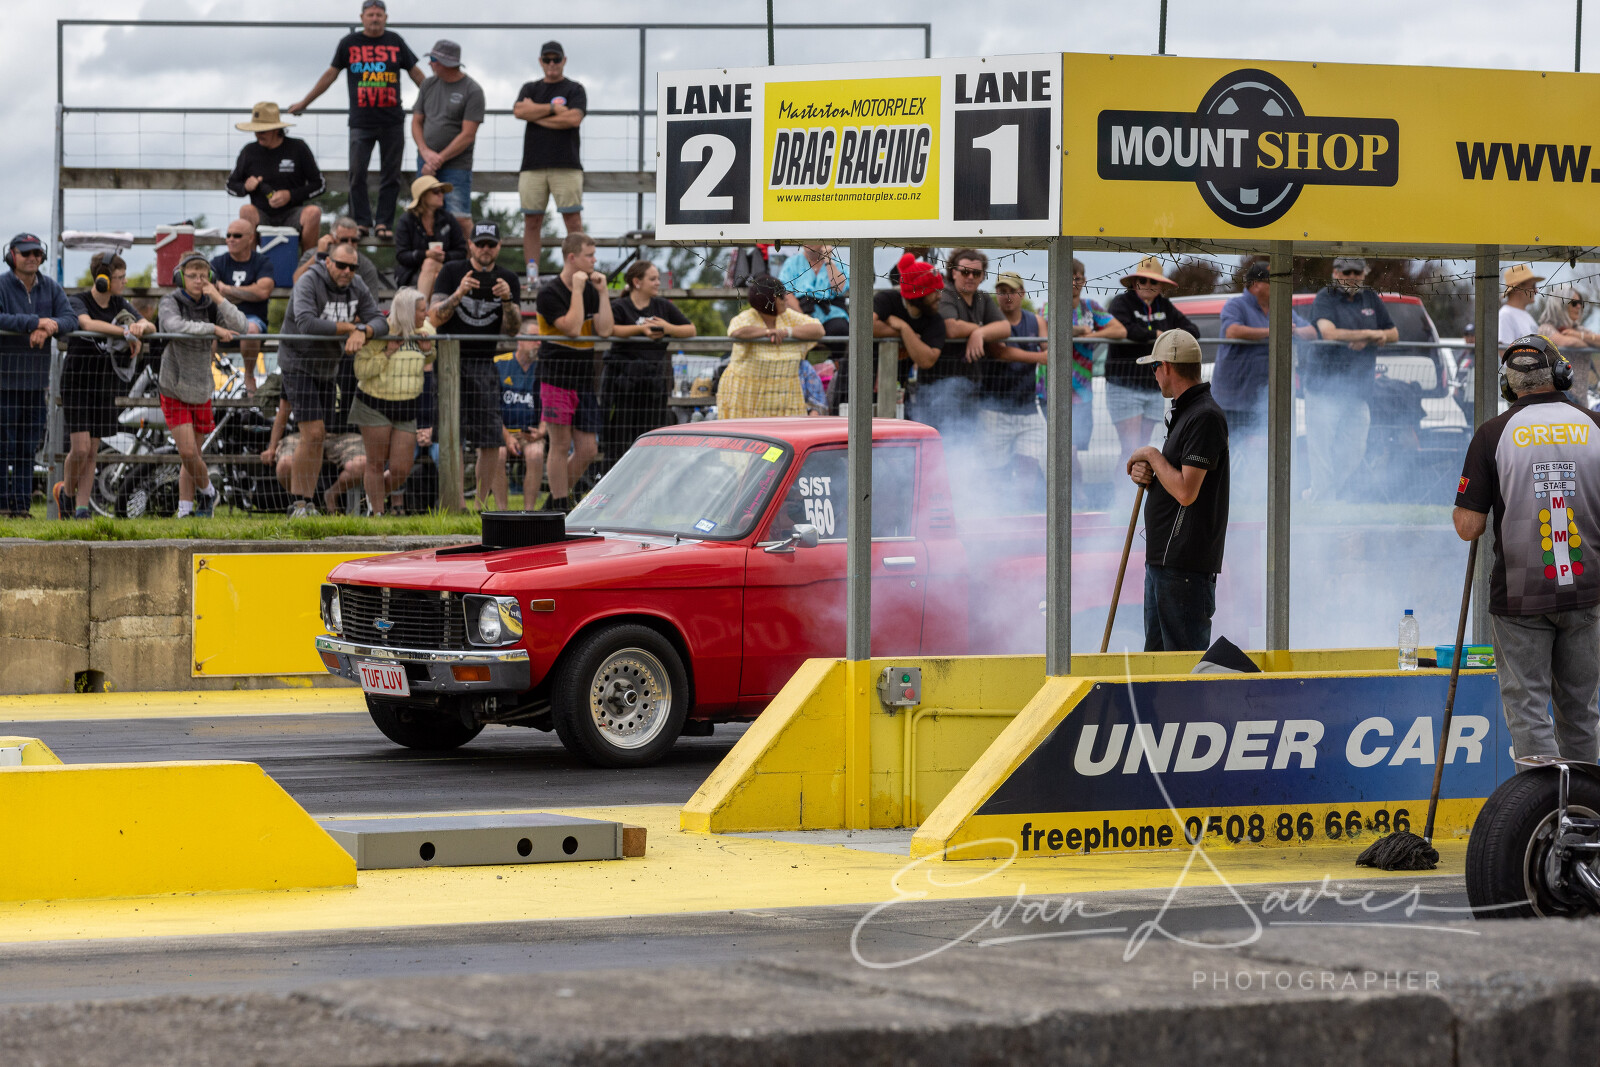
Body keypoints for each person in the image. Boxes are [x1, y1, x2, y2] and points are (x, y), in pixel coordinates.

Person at [1455, 335, 1600, 762]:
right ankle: (1584, 802)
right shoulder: (1595, 426)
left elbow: (1468, 527)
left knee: (1528, 713)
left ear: (1508, 384)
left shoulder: (1492, 434)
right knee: (1581, 712)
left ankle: (1542, 804)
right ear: (1562, 373)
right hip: (1588, 591)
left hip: (1520, 597)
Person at [1125, 329, 1230, 652]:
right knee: (1157, 665)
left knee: (1181, 667)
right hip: (1167, 564)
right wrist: (1149, 473)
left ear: (1167, 366)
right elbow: (1175, 483)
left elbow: (1186, 491)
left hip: (1183, 567)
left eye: (1154, 367)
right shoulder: (1187, 412)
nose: (1154, 375)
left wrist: (1152, 455)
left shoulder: (1204, 416)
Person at [287, 0, 421, 238]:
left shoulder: (395, 41)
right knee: (357, 174)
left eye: (379, 15)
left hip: (392, 120)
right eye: (370, 15)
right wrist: (305, 103)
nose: (375, 19)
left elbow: (416, 73)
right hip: (361, 121)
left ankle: (383, 224)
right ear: (362, 18)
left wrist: (434, 97)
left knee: (391, 175)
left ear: (386, 18)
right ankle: (362, 222)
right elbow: (330, 74)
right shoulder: (349, 43)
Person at [279, 241, 388, 517]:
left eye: (352, 267)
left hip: (328, 367)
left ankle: (307, 503)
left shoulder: (356, 285)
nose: (347, 271)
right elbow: (306, 323)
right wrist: (351, 327)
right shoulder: (309, 281)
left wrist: (363, 330)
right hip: (298, 363)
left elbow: (381, 321)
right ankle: (298, 505)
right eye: (341, 265)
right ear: (328, 262)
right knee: (313, 433)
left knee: (319, 437)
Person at [58, 253, 156, 519]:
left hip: (104, 382)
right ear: (103, 280)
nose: (125, 281)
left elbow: (147, 323)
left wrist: (139, 327)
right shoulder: (79, 300)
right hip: (78, 379)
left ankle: (81, 508)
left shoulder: (120, 303)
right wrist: (125, 332)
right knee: (79, 448)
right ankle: (66, 493)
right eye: (120, 277)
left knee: (92, 450)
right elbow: (87, 324)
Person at [431, 220, 521, 511]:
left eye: (490, 244)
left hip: (484, 362)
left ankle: (481, 506)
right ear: (470, 245)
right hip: (450, 363)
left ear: (499, 246)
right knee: (452, 436)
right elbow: (434, 317)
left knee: (491, 438)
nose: (485, 249)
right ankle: (456, 503)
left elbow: (512, 331)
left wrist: (507, 300)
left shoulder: (508, 279)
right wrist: (459, 294)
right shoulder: (451, 271)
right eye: (480, 243)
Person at [1213, 260, 1317, 498]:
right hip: (1230, 398)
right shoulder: (1236, 305)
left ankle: (1253, 498)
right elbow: (1232, 331)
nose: (1280, 286)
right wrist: (1276, 331)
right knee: (1223, 451)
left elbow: (1311, 332)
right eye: (1273, 281)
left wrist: (1293, 330)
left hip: (1261, 400)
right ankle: (1222, 498)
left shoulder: (1281, 308)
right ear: (1255, 285)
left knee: (1258, 450)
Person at [157, 252, 248, 518]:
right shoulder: (170, 301)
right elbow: (173, 325)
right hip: (173, 385)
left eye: (203, 276)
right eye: (192, 275)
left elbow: (241, 325)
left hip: (200, 387)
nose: (198, 280)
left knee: (194, 454)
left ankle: (185, 509)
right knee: (187, 452)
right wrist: (212, 329)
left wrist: (218, 297)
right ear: (180, 277)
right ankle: (209, 492)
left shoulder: (211, 304)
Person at [1306, 257, 1397, 502]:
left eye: (1357, 272)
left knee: (1355, 449)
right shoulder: (1325, 296)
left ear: (1364, 274)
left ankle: (1323, 495)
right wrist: (1368, 334)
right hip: (1324, 388)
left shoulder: (1371, 298)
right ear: (1336, 273)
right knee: (1321, 450)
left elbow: (1393, 333)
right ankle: (1323, 503)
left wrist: (1371, 337)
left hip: (1358, 390)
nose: (1353, 277)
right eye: (1347, 272)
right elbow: (1328, 332)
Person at [532, 231, 610, 511]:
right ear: (572, 258)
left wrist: (602, 292)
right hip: (556, 376)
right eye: (589, 255)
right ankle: (561, 504)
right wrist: (577, 290)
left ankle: (554, 501)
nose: (594, 260)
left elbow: (605, 330)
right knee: (560, 444)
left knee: (588, 448)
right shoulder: (549, 293)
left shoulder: (590, 289)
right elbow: (573, 328)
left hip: (584, 378)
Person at [1037, 259, 1125, 505]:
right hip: (1052, 391)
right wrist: (1079, 331)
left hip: (1082, 393)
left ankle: (1074, 497)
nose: (1074, 283)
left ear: (1084, 280)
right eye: (1069, 278)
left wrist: (1092, 333)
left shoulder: (1091, 307)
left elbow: (1119, 331)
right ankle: (1073, 496)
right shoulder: (1049, 307)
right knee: (1066, 448)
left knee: (1074, 447)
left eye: (1078, 278)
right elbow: (1050, 328)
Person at [1106, 257, 1199, 474]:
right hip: (1124, 385)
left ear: (1160, 285)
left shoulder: (1165, 306)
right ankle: (1121, 493)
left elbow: (1193, 330)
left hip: (1154, 387)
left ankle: (1134, 493)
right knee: (1131, 449)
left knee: (1143, 449)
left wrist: (1162, 336)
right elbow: (1125, 329)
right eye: (1143, 280)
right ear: (1134, 282)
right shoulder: (1121, 302)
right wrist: (1157, 334)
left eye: (1153, 281)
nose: (1148, 285)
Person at [605, 260, 694, 470]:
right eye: (652, 279)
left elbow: (691, 329)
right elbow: (609, 329)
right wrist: (640, 330)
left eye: (657, 279)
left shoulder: (663, 306)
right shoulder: (619, 306)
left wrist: (667, 327)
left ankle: (646, 481)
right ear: (637, 282)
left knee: (651, 437)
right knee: (620, 439)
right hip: (623, 383)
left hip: (652, 384)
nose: (657, 283)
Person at [352, 286, 434, 515]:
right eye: (421, 310)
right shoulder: (380, 331)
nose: (426, 314)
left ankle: (372, 499)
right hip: (374, 403)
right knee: (376, 463)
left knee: (401, 469)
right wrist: (387, 352)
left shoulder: (425, 330)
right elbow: (361, 371)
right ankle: (377, 513)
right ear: (407, 312)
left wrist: (427, 352)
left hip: (407, 405)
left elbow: (430, 359)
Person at [514, 41, 587, 281]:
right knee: (532, 221)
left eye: (556, 59)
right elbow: (519, 111)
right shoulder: (530, 87)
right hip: (532, 166)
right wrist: (553, 110)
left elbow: (573, 119)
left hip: (567, 165)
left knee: (572, 221)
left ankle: (578, 273)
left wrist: (536, 115)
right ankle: (532, 276)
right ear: (540, 61)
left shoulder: (575, 89)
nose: (552, 64)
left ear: (564, 61)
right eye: (547, 59)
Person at [924, 248, 1010, 435]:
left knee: (966, 443)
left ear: (983, 276)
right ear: (953, 272)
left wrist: (980, 334)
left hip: (970, 388)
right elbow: (951, 328)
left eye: (976, 273)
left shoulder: (982, 297)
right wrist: (980, 329)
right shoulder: (944, 292)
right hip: (937, 388)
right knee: (940, 443)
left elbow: (1005, 327)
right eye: (965, 272)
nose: (970, 277)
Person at [979, 270, 1049, 494]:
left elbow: (1051, 352)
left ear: (1022, 293)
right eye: (1002, 291)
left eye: (1012, 291)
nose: (1007, 296)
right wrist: (1038, 357)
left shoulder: (1036, 321)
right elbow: (1001, 352)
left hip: (1028, 408)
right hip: (994, 410)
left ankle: (1022, 508)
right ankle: (997, 511)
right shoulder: (991, 321)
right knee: (995, 474)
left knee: (1028, 468)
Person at [719, 274, 824, 420]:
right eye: (781, 296)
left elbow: (818, 329)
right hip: (747, 397)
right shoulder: (747, 317)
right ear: (769, 299)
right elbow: (736, 332)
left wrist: (787, 332)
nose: (786, 299)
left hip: (785, 397)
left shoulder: (788, 316)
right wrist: (768, 332)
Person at [226, 102, 324, 253]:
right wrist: (245, 187)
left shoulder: (298, 147)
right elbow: (230, 185)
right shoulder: (249, 151)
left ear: (276, 129)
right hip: (261, 214)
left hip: (293, 213)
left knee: (313, 212)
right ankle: (250, 262)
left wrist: (290, 195)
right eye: (256, 130)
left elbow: (319, 184)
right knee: (246, 210)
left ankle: (308, 262)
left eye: (263, 130)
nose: (258, 134)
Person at [411, 39, 483, 233]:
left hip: (457, 165)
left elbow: (468, 134)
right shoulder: (427, 85)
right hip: (425, 161)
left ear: (447, 63)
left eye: (434, 59)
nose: (430, 63)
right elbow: (416, 121)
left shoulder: (473, 90)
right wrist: (425, 152)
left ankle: (469, 253)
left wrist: (438, 159)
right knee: (424, 215)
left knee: (460, 219)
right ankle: (426, 252)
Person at [870, 251, 947, 414]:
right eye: (934, 291)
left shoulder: (934, 319)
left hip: (898, 393)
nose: (939, 296)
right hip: (857, 387)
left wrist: (904, 329)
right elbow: (865, 326)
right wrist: (904, 335)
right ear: (919, 292)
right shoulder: (887, 299)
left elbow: (927, 359)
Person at [210, 219, 275, 393]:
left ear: (250, 238)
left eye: (237, 235)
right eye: (228, 235)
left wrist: (227, 290)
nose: (231, 239)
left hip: (252, 319)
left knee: (251, 329)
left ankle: (249, 376)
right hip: (222, 318)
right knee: (207, 330)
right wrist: (247, 293)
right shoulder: (217, 262)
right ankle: (205, 377)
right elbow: (210, 291)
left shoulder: (262, 262)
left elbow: (263, 291)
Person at [393, 174, 466, 298]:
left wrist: (444, 256)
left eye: (442, 191)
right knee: (433, 268)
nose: (441, 194)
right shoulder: (407, 220)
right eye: (436, 191)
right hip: (411, 274)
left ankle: (422, 307)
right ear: (423, 196)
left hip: (444, 270)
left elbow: (461, 251)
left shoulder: (448, 219)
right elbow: (402, 255)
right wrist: (425, 254)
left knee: (433, 266)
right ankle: (426, 307)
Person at [778, 244, 850, 366]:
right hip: (800, 311)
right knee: (795, 332)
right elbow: (786, 294)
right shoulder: (792, 263)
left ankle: (838, 369)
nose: (808, 242)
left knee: (840, 329)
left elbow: (840, 289)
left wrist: (828, 260)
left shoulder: (836, 263)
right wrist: (803, 317)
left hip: (830, 313)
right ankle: (797, 367)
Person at [497, 337, 546, 508]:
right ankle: (502, 512)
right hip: (501, 431)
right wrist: (507, 437)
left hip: (530, 433)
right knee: (498, 454)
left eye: (541, 339)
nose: (539, 343)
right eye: (534, 338)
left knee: (536, 454)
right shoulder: (499, 364)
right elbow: (490, 407)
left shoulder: (543, 367)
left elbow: (549, 402)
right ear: (520, 340)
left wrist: (542, 430)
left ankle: (529, 512)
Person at [1538, 284, 1600, 407]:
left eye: (1580, 303)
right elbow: (1568, 342)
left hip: (1581, 398)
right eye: (1574, 303)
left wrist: (1578, 335)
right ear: (1560, 305)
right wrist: (1588, 341)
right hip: (1558, 397)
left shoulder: (1579, 330)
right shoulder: (1546, 328)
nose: (1579, 307)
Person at [293, 216, 383, 297]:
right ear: (332, 239)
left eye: (354, 240)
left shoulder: (365, 266)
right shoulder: (313, 254)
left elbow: (371, 303)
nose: (349, 244)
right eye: (344, 240)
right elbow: (297, 281)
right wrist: (318, 255)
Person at [1499, 263, 1543, 352]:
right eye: (1533, 286)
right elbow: (1504, 353)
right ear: (1518, 288)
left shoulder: (1526, 315)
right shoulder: (1505, 315)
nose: (1536, 291)